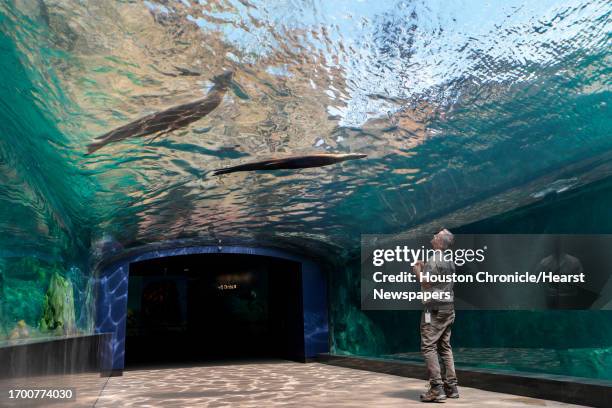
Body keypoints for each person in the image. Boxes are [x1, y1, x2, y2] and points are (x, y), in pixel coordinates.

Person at [413, 228, 459, 402]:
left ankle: (436, 389)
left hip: (433, 310)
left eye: (436, 235)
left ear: (440, 241)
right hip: (448, 308)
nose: (433, 237)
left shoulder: (434, 260)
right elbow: (439, 281)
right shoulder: (449, 261)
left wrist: (417, 270)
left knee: (428, 347)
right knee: (445, 347)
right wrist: (426, 269)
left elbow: (426, 284)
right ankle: (451, 387)